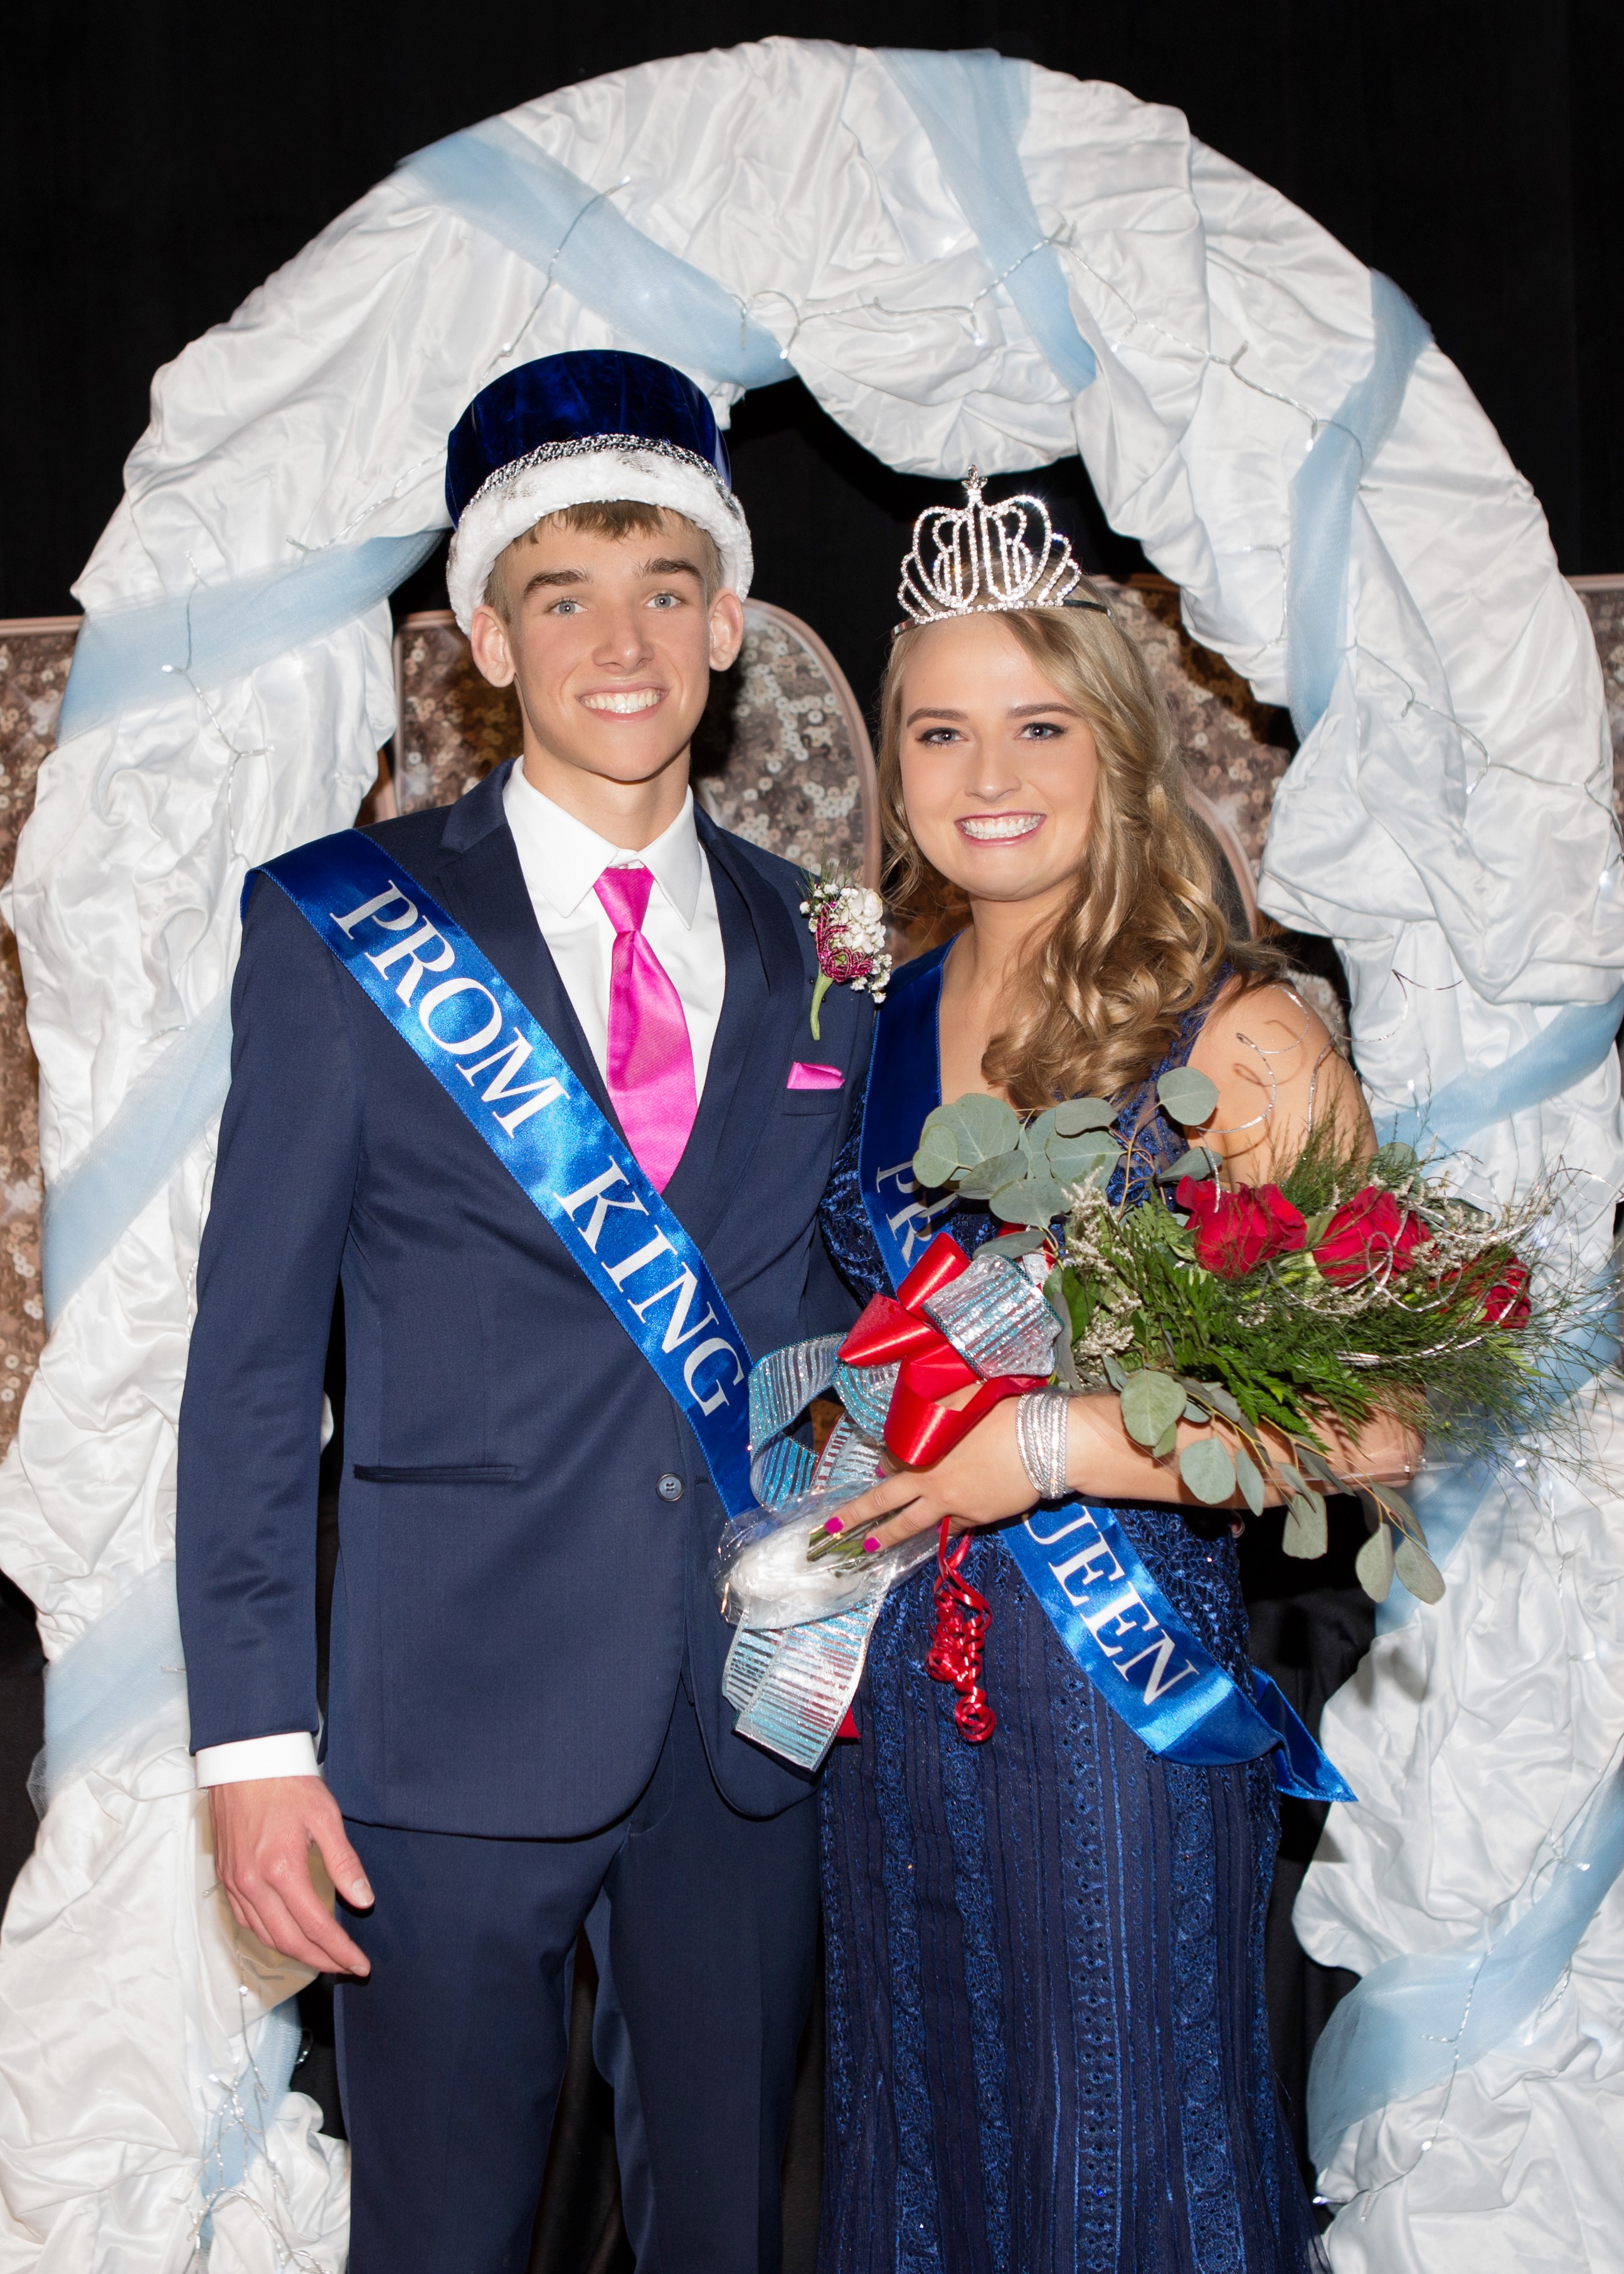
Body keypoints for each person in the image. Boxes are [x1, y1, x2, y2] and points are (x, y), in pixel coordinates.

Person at [175, 349, 873, 2274]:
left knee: (731, 2232)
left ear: (730, 621)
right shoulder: (341, 926)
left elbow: (849, 1314)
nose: (620, 641)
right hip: (447, 1729)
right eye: (562, 594)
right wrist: (251, 1748)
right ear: (485, 635)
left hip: (750, 1724)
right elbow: (246, 1374)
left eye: (665, 587)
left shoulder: (832, 948)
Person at [813, 480, 1415, 2271]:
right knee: (920, 2156)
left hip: (1117, 1710)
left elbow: (1381, 1416)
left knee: (1120, 2158)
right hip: (893, 1708)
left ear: (1118, 745)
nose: (986, 768)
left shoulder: (1237, 1032)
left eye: (1037, 721)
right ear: (898, 766)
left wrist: (1059, 1441)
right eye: (941, 726)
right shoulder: (877, 1016)